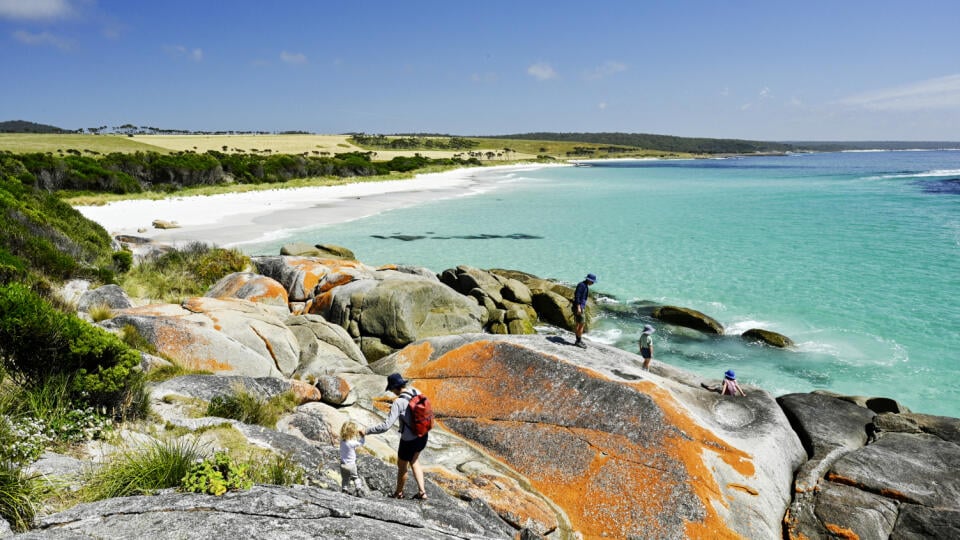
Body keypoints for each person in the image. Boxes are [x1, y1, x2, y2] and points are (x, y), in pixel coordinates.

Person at [362, 373, 429, 500]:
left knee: (402, 466)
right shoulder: (416, 391)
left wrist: (367, 431)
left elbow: (386, 426)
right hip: (423, 434)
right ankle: (422, 492)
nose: (392, 392)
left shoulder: (399, 402)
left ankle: (398, 493)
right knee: (414, 461)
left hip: (408, 440)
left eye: (391, 389)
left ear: (395, 387)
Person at [338, 420, 366, 496]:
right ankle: (358, 489)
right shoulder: (352, 443)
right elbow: (361, 443)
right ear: (352, 433)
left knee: (345, 478)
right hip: (351, 465)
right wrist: (362, 436)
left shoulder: (342, 441)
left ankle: (344, 489)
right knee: (355, 477)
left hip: (343, 465)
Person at [572, 273, 596, 349]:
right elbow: (577, 296)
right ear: (589, 280)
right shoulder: (582, 285)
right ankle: (578, 341)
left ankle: (578, 339)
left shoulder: (585, 285)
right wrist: (579, 307)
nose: (593, 283)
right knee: (581, 324)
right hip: (579, 307)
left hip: (580, 307)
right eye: (592, 281)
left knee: (579, 324)